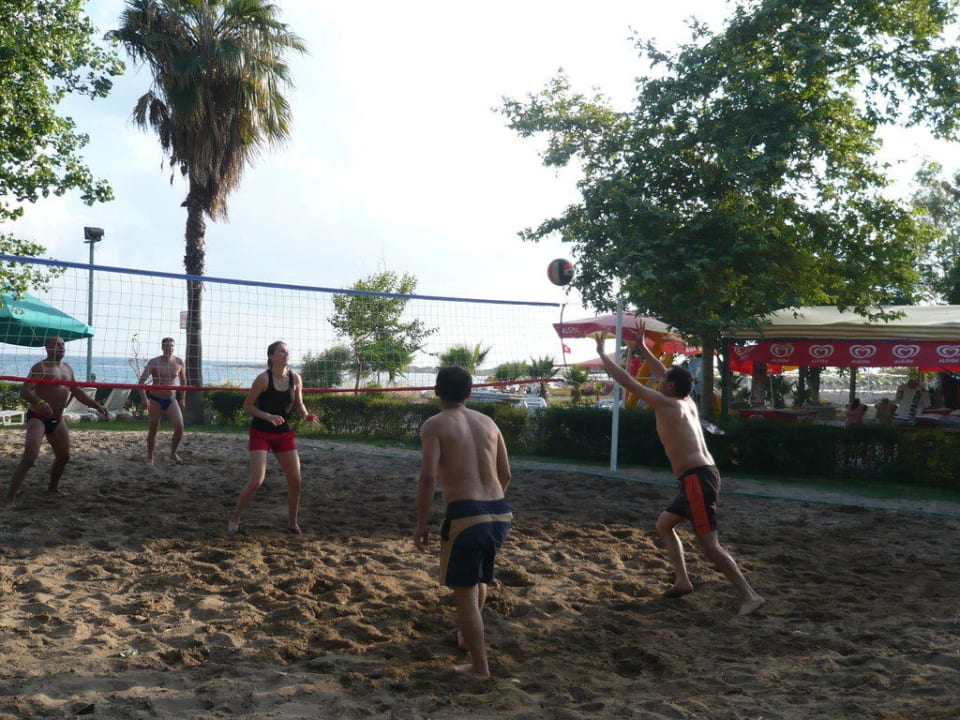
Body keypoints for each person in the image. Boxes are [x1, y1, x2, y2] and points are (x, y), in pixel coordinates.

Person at [595, 324, 764, 616]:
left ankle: (750, 595)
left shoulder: (666, 403)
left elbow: (626, 380)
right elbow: (664, 372)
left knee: (710, 546)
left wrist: (602, 355)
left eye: (665, 380)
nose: (661, 379)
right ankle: (683, 581)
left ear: (670, 386)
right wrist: (644, 347)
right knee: (664, 525)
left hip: (697, 479)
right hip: (698, 477)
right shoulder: (685, 400)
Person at [415, 365, 512, 677]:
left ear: (436, 391)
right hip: (500, 513)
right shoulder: (489, 422)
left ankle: (479, 667)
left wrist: (421, 523)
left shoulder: (435, 424)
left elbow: (429, 477)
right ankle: (467, 639)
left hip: (467, 514)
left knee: (465, 592)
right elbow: (506, 474)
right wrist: (488, 508)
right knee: (479, 578)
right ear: (470, 393)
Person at [5, 336, 107, 508]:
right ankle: (10, 498)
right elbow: (25, 390)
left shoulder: (67, 368)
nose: (61, 347)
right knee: (30, 456)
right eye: (57, 345)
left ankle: (52, 488)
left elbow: (77, 391)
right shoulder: (40, 367)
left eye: (63, 344)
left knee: (64, 457)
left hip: (57, 419)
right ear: (47, 348)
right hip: (38, 417)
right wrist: (40, 402)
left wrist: (97, 405)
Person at [228, 341, 318, 535]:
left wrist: (305, 415)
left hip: (283, 432)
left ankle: (292, 522)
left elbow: (299, 404)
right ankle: (235, 518)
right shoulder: (263, 379)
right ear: (271, 356)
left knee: (295, 479)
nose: (286, 355)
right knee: (256, 481)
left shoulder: (295, 378)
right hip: (261, 432)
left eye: (287, 352)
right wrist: (268, 416)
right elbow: (248, 406)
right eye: (282, 352)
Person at [138, 337, 187, 465]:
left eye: (171, 346)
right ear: (162, 347)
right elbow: (141, 382)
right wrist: (144, 398)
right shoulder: (154, 362)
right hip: (155, 399)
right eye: (166, 346)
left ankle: (173, 453)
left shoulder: (179, 362)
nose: (169, 348)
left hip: (171, 399)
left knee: (180, 426)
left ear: (174, 347)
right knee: (153, 428)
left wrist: (182, 399)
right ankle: (150, 457)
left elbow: (183, 382)